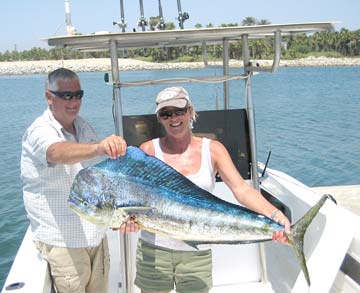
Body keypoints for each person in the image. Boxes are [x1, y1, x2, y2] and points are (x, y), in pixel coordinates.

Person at [134, 86, 290, 293]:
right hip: (154, 250)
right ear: (160, 119)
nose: (174, 119)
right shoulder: (148, 151)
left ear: (190, 111)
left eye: (179, 111)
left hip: (197, 251)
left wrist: (275, 215)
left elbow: (241, 189)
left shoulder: (213, 149)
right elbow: (135, 198)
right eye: (166, 114)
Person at [21, 68, 127, 293]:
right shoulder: (40, 130)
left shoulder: (83, 126)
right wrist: (99, 147)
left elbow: (99, 176)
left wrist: (118, 214)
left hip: (95, 235)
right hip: (63, 241)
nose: (74, 101)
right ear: (49, 97)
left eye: (78, 94)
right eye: (66, 95)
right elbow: (55, 153)